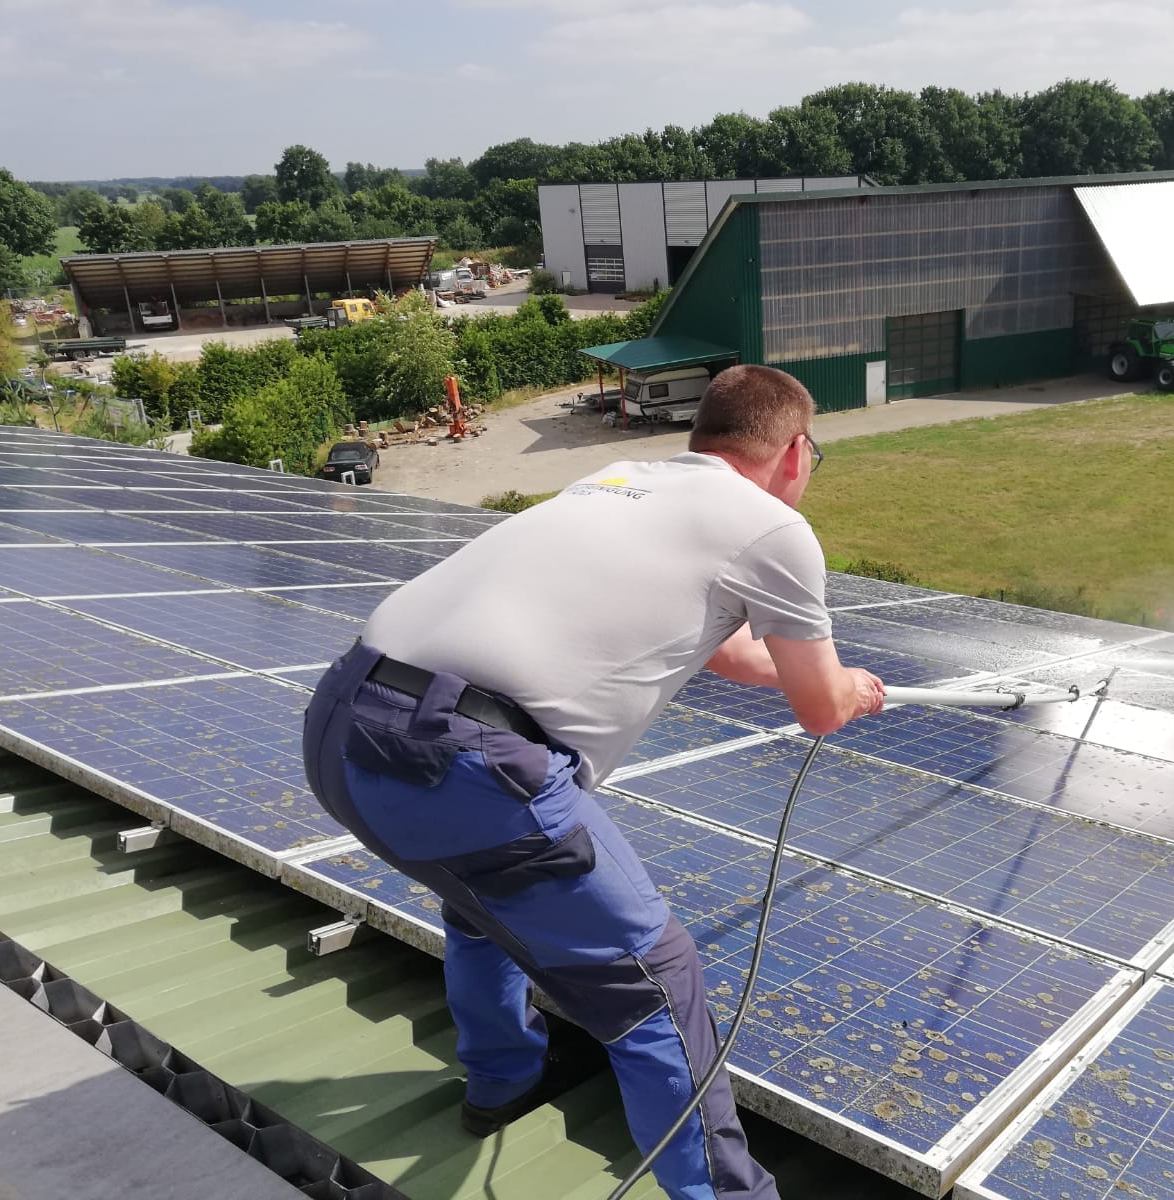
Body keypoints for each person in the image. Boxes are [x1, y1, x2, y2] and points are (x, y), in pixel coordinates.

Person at [301, 365, 885, 1200]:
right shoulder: (770, 528)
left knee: (481, 905)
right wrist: (846, 687)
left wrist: (820, 677)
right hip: (458, 763)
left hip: (341, 730)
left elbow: (724, 651)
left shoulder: (617, 481)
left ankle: (501, 1081)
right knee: (655, 978)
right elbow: (822, 711)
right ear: (795, 451)